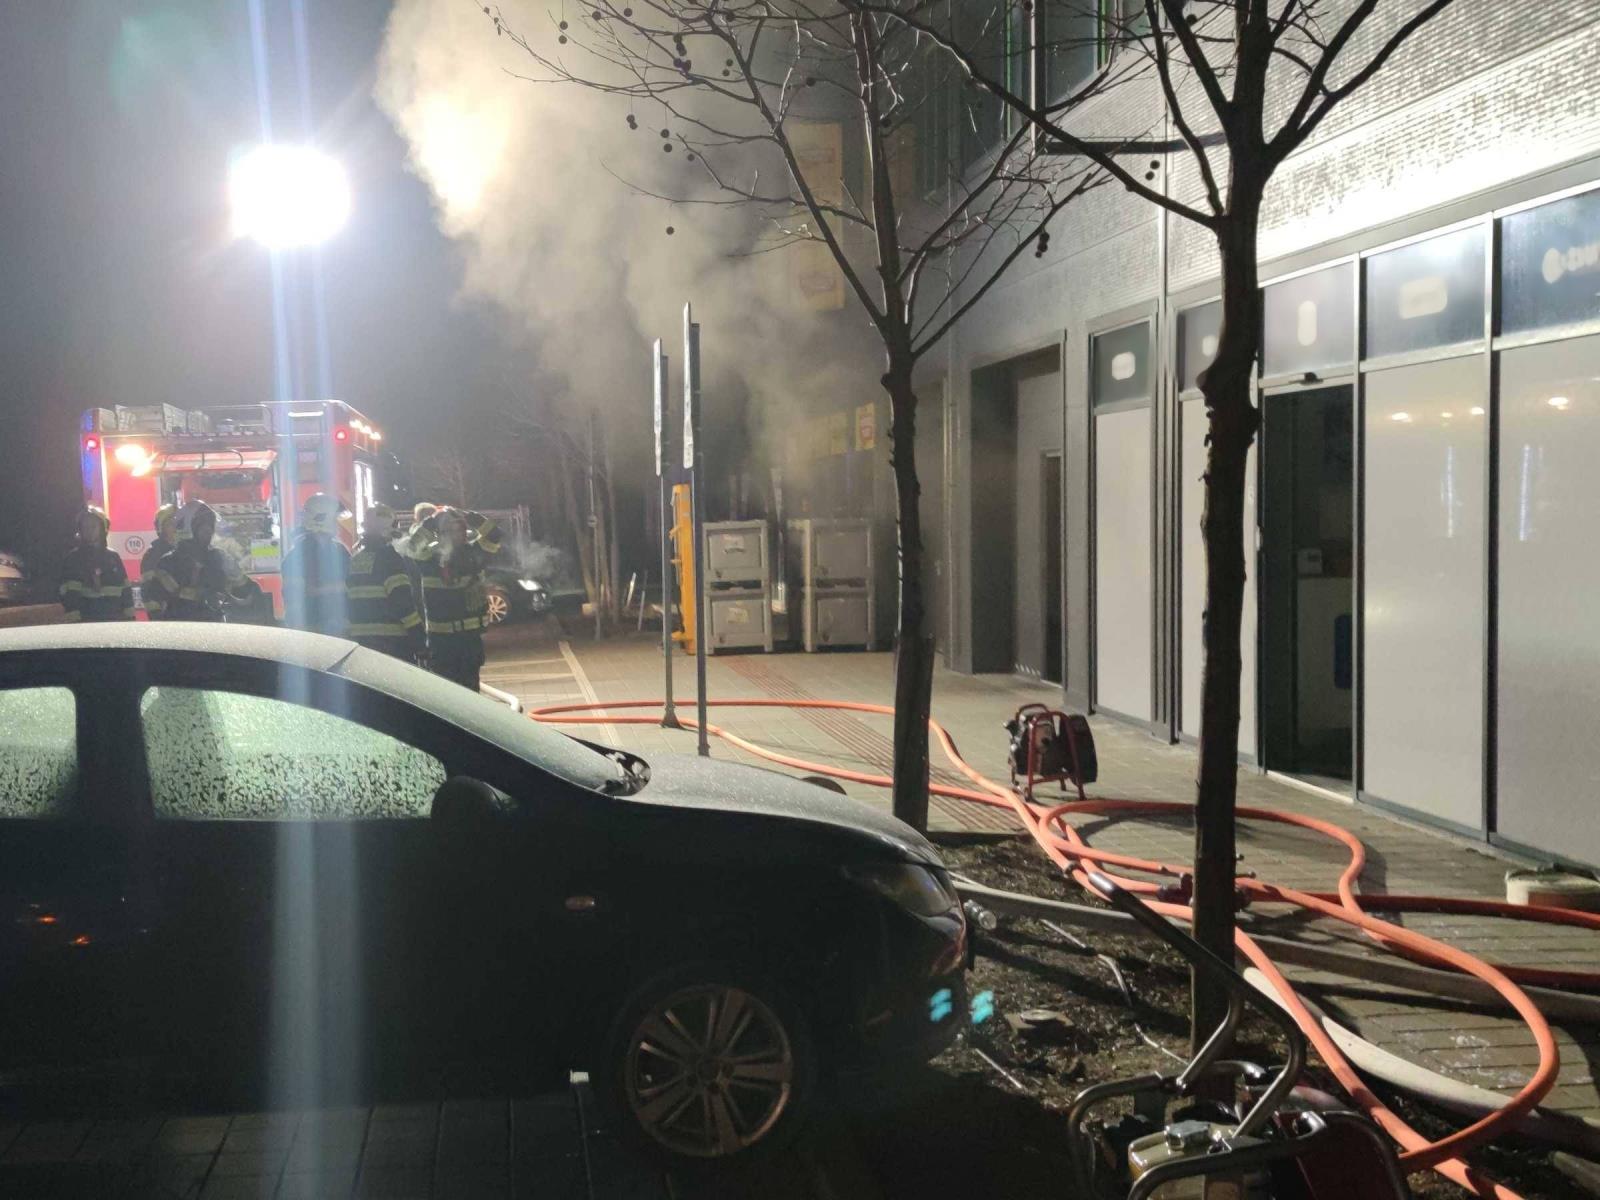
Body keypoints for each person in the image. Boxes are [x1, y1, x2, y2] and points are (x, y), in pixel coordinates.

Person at [404, 506, 500, 691]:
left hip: (470, 639)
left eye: (459, 529)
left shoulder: (475, 552)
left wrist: (471, 517)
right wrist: (431, 521)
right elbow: (412, 547)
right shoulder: (429, 557)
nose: (455, 534)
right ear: (440, 533)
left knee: (471, 692)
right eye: (449, 530)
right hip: (442, 641)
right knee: (446, 693)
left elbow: (495, 534)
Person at [143, 500, 262, 621]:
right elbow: (154, 602)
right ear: (188, 527)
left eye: (210, 525)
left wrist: (251, 589)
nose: (208, 531)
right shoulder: (168, 563)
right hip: (181, 627)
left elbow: (244, 592)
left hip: (213, 626)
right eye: (203, 525)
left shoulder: (218, 558)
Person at [345, 502, 422, 659]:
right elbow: (402, 602)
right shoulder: (390, 558)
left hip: (361, 642)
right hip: (392, 644)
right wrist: (419, 637)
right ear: (388, 528)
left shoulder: (356, 559)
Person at [281, 492, 351, 637]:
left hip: (338, 629)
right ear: (322, 518)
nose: (337, 524)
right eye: (334, 519)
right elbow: (297, 595)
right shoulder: (299, 556)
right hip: (311, 630)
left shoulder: (340, 551)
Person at [58, 506, 133, 622]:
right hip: (87, 623)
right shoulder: (73, 559)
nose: (90, 530)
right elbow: (69, 595)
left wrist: (130, 619)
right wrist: (76, 624)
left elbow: (126, 590)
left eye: (93, 526)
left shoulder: (113, 557)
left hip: (114, 621)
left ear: (102, 528)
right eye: (86, 527)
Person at [139, 503, 179, 617]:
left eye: (178, 524)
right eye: (170, 524)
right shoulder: (153, 554)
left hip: (183, 611)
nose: (176, 528)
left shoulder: (184, 550)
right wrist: (157, 614)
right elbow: (147, 589)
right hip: (165, 614)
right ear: (161, 528)